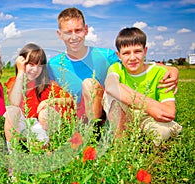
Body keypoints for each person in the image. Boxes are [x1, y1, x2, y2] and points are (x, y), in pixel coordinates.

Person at [48, 7, 179, 123]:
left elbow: (133, 62)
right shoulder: (53, 64)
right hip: (75, 116)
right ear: (60, 35)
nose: (74, 36)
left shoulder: (106, 56)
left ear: (86, 30)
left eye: (78, 30)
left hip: (104, 114)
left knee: (89, 84)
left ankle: (95, 130)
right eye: (68, 32)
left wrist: (171, 69)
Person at [103, 27, 182, 145]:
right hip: (127, 116)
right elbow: (111, 86)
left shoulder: (160, 73)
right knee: (111, 95)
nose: (132, 58)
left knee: (162, 132)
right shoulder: (116, 68)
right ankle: (121, 145)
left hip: (149, 118)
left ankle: (143, 141)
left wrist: (149, 110)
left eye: (137, 51)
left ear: (145, 51)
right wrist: (147, 104)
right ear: (119, 55)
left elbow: (169, 112)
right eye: (126, 53)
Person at [4, 43, 72, 154]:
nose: (35, 69)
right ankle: (13, 156)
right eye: (31, 64)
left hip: (42, 127)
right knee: (11, 111)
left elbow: (69, 100)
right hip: (23, 126)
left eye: (39, 66)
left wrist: (51, 100)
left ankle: (47, 148)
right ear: (21, 64)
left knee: (45, 113)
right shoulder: (15, 82)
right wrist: (20, 72)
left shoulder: (48, 85)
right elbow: (14, 102)